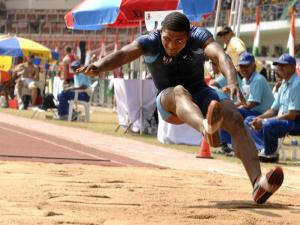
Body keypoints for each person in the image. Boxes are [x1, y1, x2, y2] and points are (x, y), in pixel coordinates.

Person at [79, 12, 283, 204]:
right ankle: (206, 128)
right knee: (178, 90)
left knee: (235, 118)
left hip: (200, 93)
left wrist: (232, 81)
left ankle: (258, 184)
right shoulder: (150, 40)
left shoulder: (199, 36)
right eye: (167, 39)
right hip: (169, 101)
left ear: (188, 35)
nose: (172, 45)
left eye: (179, 41)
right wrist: (99, 65)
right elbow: (123, 54)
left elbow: (221, 56)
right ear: (161, 33)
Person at [245, 54, 300, 162]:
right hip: (283, 120)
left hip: (296, 122)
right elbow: (273, 110)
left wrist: (264, 120)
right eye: (278, 65)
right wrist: (259, 118)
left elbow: (292, 115)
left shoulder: (297, 84)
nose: (280, 68)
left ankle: (270, 154)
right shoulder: (284, 83)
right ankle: (263, 149)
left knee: (267, 124)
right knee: (249, 120)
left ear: (293, 67)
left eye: (283, 65)